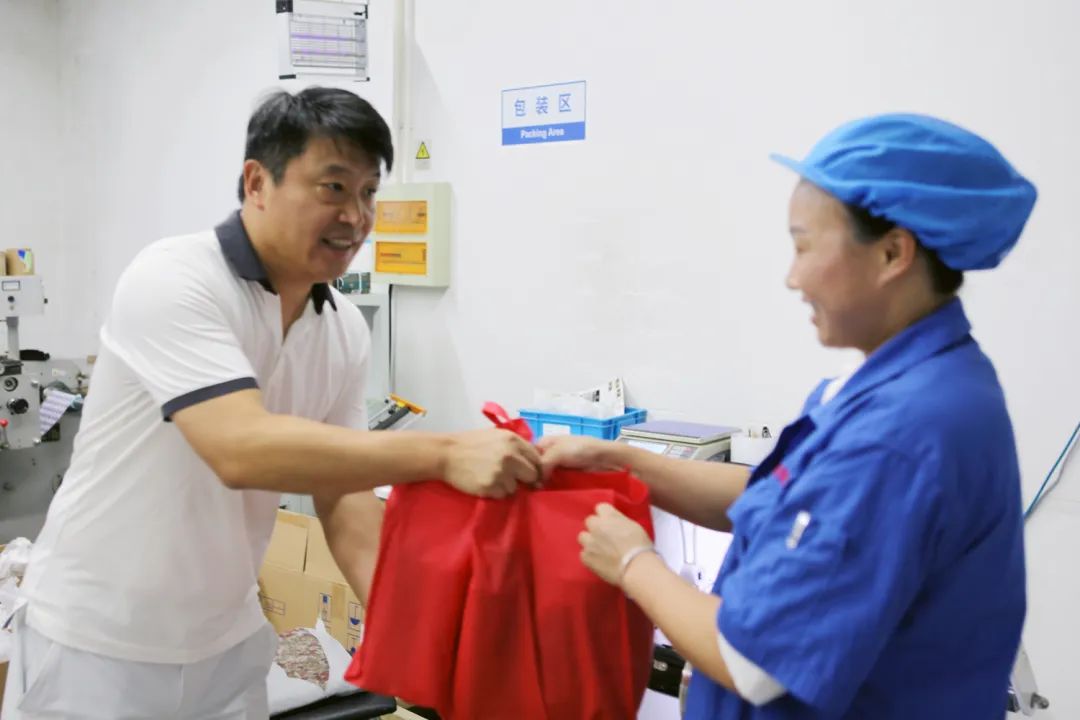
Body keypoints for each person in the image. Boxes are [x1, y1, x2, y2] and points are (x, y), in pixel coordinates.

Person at [2, 87, 541, 720]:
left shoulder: (342, 328)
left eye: (369, 192)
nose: (356, 216)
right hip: (96, 646)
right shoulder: (176, 277)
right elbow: (239, 447)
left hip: (227, 650)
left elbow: (344, 496)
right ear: (257, 182)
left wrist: (408, 636)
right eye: (333, 187)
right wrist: (445, 454)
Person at [540, 114, 1037, 718]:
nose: (792, 277)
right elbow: (779, 499)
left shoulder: (902, 435)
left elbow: (752, 661)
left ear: (892, 253)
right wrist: (621, 460)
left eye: (804, 247)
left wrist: (633, 562)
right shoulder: (898, 386)